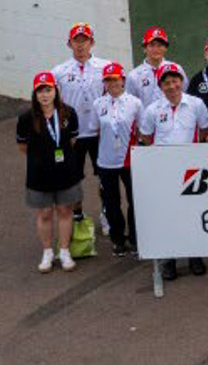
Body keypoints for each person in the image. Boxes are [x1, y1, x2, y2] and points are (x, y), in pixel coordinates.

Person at [137, 63, 208, 280]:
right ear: (161, 86)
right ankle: (170, 260)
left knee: (192, 214)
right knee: (168, 216)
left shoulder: (196, 104)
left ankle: (195, 256)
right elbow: (146, 137)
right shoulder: (152, 110)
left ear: (181, 81)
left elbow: (204, 131)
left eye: (175, 81)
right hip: (164, 171)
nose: (171, 86)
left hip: (191, 169)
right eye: (166, 82)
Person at [19, 71, 84, 273]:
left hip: (66, 172)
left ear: (56, 91)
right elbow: (22, 147)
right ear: (35, 94)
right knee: (45, 213)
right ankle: (48, 251)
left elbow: (72, 140)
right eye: (40, 91)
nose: (45, 95)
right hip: (39, 174)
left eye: (48, 90)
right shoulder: (26, 118)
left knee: (65, 211)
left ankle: (63, 250)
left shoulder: (69, 113)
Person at [51, 23, 105, 225]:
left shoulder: (105, 67)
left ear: (92, 43)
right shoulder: (59, 72)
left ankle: (107, 213)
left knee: (104, 177)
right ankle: (78, 216)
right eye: (76, 41)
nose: (81, 45)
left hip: (99, 132)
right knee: (73, 179)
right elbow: (53, 103)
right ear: (69, 43)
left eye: (85, 40)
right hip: (73, 135)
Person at [92, 61, 141, 256]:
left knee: (134, 200)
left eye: (116, 80)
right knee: (111, 202)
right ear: (104, 83)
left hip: (129, 159)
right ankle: (118, 239)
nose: (112, 84)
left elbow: (141, 129)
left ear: (123, 80)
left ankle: (136, 238)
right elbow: (96, 129)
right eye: (108, 80)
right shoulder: (98, 104)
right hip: (106, 160)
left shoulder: (135, 103)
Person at [127, 27, 176, 110]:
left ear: (165, 48)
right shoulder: (134, 75)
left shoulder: (176, 70)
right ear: (145, 48)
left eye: (160, 45)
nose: (156, 49)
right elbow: (130, 104)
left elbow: (184, 94)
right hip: (146, 121)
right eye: (152, 45)